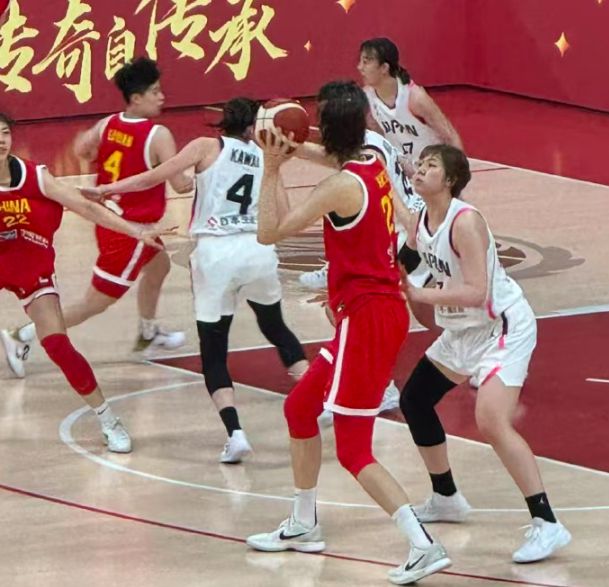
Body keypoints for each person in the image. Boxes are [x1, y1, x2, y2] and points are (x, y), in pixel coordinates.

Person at [245, 81, 450, 586]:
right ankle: (304, 522)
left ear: (327, 127)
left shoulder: (338, 187)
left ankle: (423, 545)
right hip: (372, 311)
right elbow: (329, 158)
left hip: (368, 319)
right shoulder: (371, 162)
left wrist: (271, 167)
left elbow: (269, 232)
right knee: (299, 409)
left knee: (354, 449)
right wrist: (287, 144)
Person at [79, 97, 309, 464]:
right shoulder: (268, 159)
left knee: (214, 351)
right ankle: (320, 398)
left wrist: (106, 190)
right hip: (257, 251)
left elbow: (156, 176)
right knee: (276, 327)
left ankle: (235, 434)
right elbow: (285, 216)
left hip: (215, 253)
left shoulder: (206, 146)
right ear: (256, 127)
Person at [400, 144, 571, 563]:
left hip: (502, 326)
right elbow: (406, 260)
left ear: (450, 180)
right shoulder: (421, 219)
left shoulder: (465, 222)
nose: (420, 170)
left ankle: (547, 523)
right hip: (463, 330)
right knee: (415, 399)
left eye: (431, 166)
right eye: (419, 164)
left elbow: (477, 291)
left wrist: (420, 294)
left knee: (491, 420)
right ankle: (446, 497)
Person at [2, 57, 190, 377]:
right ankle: (23, 335)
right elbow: (181, 184)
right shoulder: (158, 135)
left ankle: (148, 332)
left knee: (160, 265)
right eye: (155, 92)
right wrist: (201, 166)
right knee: (95, 303)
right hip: (131, 228)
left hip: (110, 220)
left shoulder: (108, 124)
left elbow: (82, 148)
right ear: (136, 98)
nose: (162, 97)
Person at [0, 112, 170, 452]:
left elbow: (85, 207)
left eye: (4, 132)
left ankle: (108, 419)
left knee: (58, 345)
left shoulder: (35, 176)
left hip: (30, 265)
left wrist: (135, 231)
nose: (0, 140)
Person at [358, 37, 463, 174]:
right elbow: (378, 138)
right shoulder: (367, 97)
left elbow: (450, 136)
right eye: (360, 62)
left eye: (366, 62)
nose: (360, 67)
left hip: (432, 172)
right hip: (404, 173)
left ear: (384, 68)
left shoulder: (415, 97)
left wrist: (459, 176)